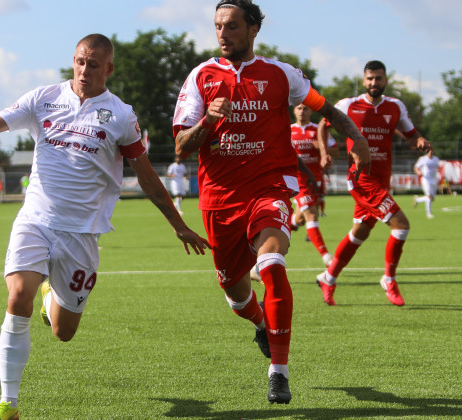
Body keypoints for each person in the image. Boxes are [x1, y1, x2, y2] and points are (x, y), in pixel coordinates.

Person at [0, 34, 210, 420]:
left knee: (64, 332)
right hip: (35, 218)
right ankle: (8, 405)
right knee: (17, 297)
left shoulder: (120, 115)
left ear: (109, 68)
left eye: (94, 64)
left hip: (81, 233)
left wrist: (178, 224)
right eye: (80, 62)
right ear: (73, 60)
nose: (85, 70)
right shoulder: (43, 98)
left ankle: (53, 300)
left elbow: (148, 176)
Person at [173, 0, 370, 404]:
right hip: (220, 198)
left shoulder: (282, 74)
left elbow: (326, 108)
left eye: (231, 26)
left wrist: (358, 139)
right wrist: (209, 120)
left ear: (253, 29)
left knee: (273, 265)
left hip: (269, 188)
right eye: (217, 26)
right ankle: (260, 322)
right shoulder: (201, 76)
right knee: (235, 292)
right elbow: (180, 146)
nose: (223, 33)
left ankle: (278, 372)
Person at [316, 60, 431, 307]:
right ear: (364, 80)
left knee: (359, 233)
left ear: (385, 80)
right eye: (369, 78)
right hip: (361, 180)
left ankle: (329, 277)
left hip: (381, 181)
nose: (373, 83)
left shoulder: (395, 107)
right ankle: (389, 279)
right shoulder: (348, 105)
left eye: (378, 78)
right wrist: (325, 151)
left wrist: (420, 141)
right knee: (401, 226)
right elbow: (323, 125)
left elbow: (412, 136)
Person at [289, 104, 339, 267]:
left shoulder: (318, 130)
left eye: (305, 108)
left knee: (301, 219)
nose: (302, 111)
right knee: (311, 215)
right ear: (294, 111)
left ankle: (277, 229)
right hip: (298, 181)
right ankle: (327, 257)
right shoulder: (288, 130)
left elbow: (336, 151)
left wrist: (323, 149)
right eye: (299, 108)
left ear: (310, 111)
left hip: (316, 181)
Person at [413, 148, 441, 218]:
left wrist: (438, 172)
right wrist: (418, 172)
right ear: (426, 152)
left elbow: (438, 167)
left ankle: (418, 200)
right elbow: (416, 167)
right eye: (429, 151)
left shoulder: (436, 159)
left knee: (432, 198)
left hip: (433, 179)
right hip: (426, 179)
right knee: (429, 196)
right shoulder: (422, 159)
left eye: (431, 151)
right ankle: (429, 214)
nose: (430, 152)